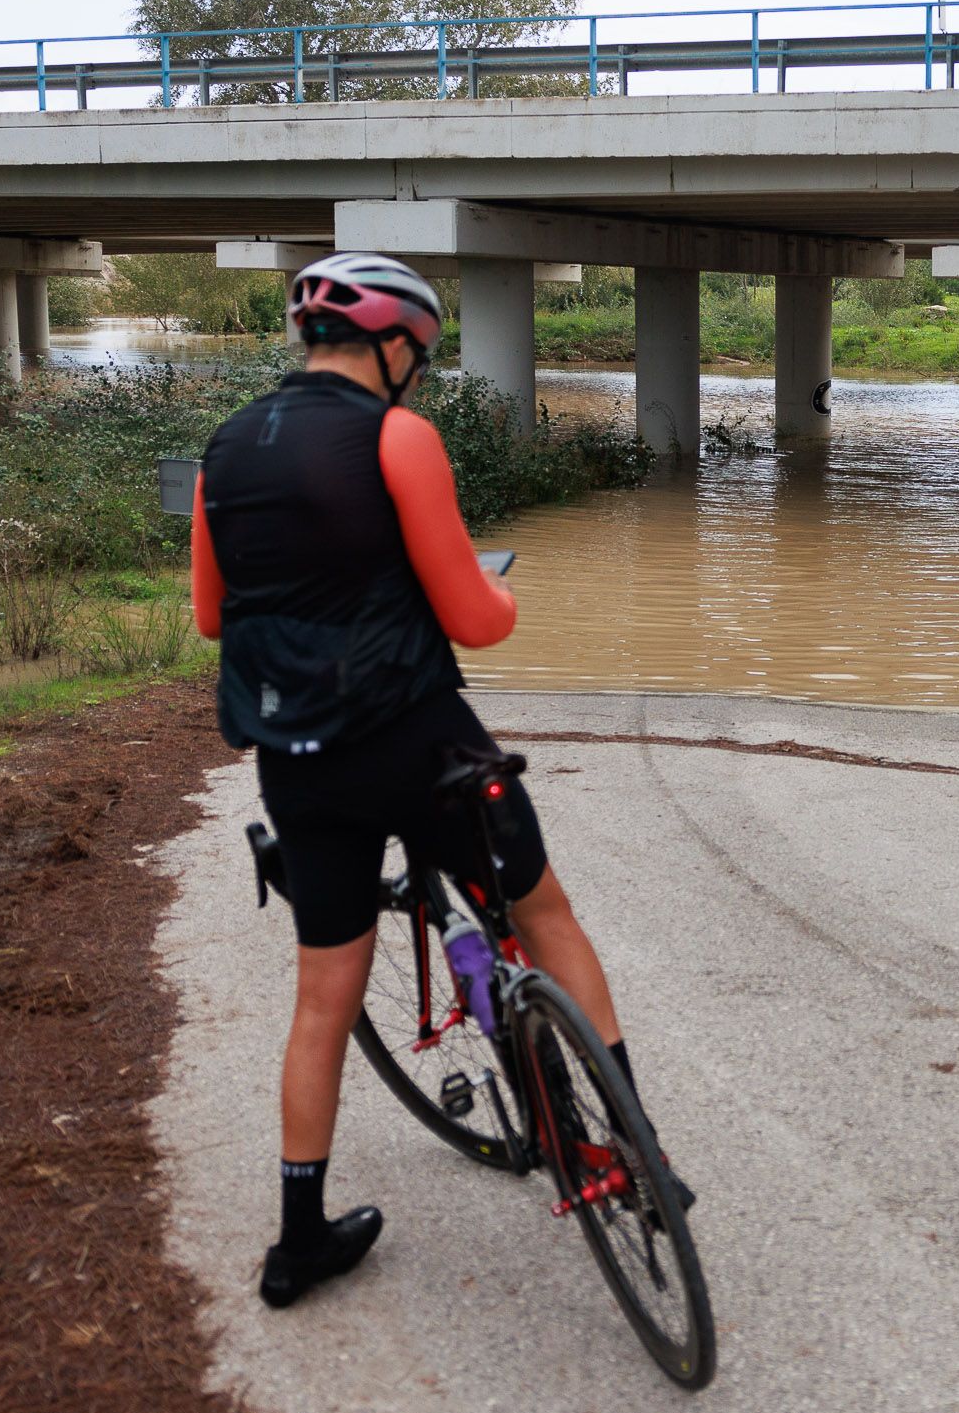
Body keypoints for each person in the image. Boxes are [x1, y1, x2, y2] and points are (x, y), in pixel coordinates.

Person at [189, 251, 664, 1309]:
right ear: (395, 345)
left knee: (323, 1001)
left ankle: (298, 1243)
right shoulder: (398, 436)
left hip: (295, 765)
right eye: (423, 351)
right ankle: (630, 1153)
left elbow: (213, 618)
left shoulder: (225, 450)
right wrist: (493, 593)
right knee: (545, 915)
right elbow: (474, 624)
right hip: (418, 747)